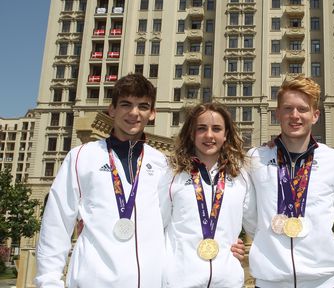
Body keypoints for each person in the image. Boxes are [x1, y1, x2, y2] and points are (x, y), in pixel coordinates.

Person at [35, 73, 168, 287]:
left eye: (143, 106)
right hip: (93, 281)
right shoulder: (81, 156)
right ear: (112, 109)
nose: (134, 113)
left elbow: (172, 222)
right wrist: (48, 281)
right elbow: (57, 221)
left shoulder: (161, 162)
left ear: (152, 113)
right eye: (126, 104)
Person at [246, 75, 334, 288]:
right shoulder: (256, 157)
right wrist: (269, 234)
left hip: (321, 281)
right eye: (287, 109)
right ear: (277, 114)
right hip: (270, 281)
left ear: (315, 115)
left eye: (302, 109)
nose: (295, 116)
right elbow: (248, 214)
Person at [159, 103, 255, 288]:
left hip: (227, 281)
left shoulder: (241, 175)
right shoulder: (171, 173)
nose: (209, 135)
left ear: (225, 134)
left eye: (216, 129)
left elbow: (257, 226)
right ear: (191, 133)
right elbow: (156, 225)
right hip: (180, 281)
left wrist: (244, 248)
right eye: (201, 128)